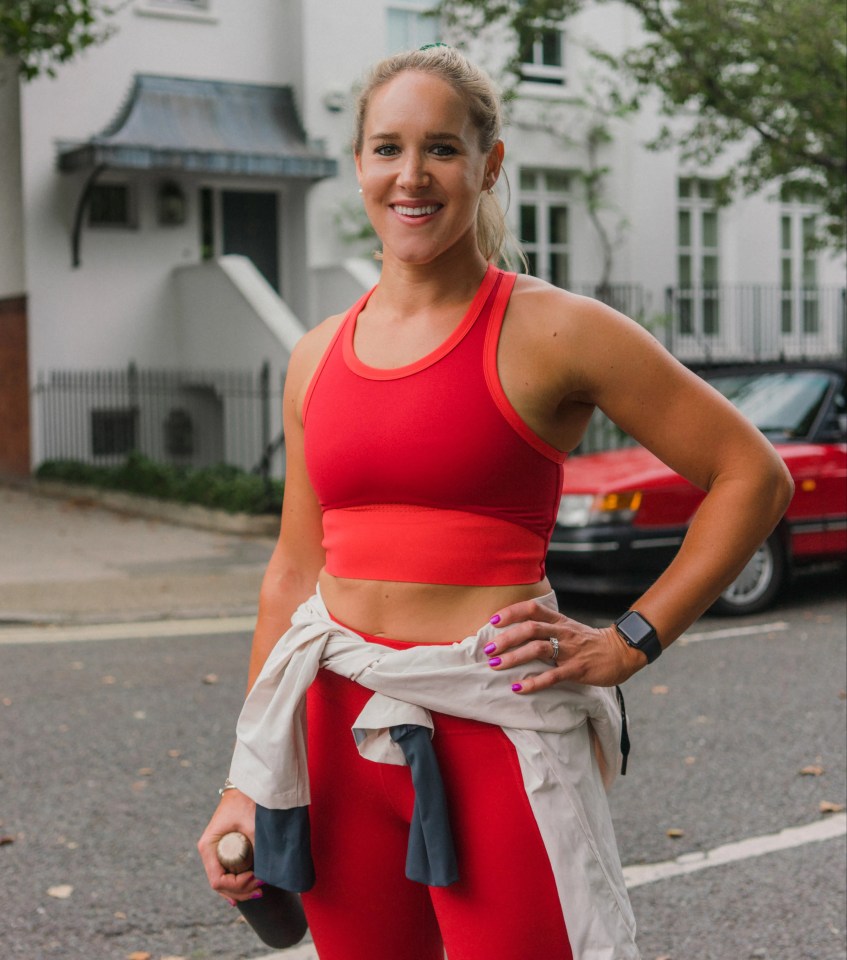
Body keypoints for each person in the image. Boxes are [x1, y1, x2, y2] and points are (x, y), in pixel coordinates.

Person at [198, 44, 793, 960]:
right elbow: (291, 572)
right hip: (335, 728)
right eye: (387, 147)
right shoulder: (316, 353)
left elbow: (751, 474)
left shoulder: (555, 328)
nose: (411, 175)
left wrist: (629, 640)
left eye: (441, 148)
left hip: (496, 726)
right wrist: (247, 780)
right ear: (357, 164)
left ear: (489, 164)